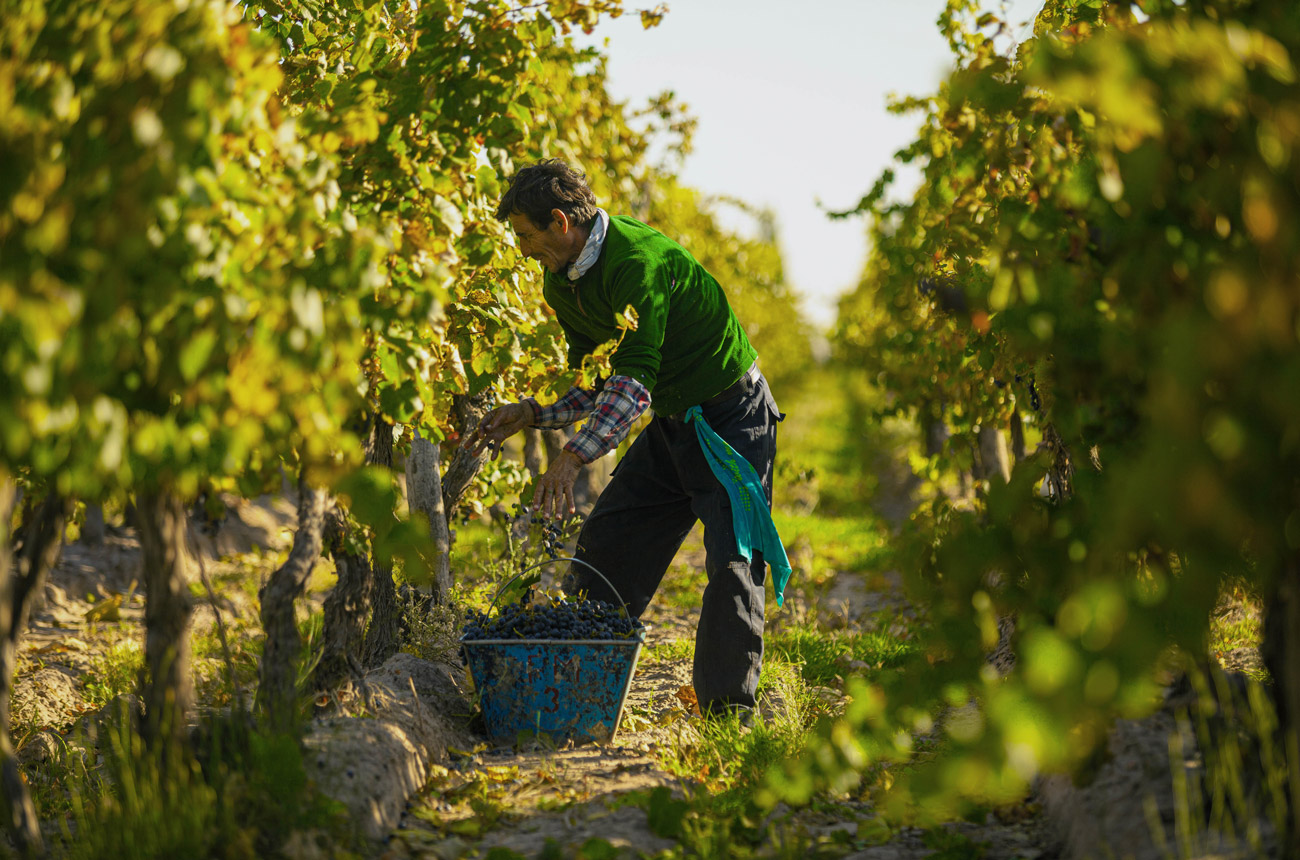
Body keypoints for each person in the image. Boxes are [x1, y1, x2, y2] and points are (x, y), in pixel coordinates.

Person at [465, 159, 788, 718]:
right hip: (674, 421)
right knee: (609, 545)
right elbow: (601, 377)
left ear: (561, 222)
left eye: (525, 235)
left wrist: (572, 457)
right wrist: (534, 413)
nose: (521, 249)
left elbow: (634, 379)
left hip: (732, 418)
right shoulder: (560, 281)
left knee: (735, 564)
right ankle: (575, 685)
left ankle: (727, 715)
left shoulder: (636, 263)